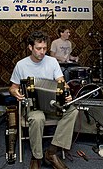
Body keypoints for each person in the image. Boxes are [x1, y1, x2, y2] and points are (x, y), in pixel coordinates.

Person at [9, 31, 78, 169]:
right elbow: (12, 87)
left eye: (45, 48)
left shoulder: (52, 62)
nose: (42, 52)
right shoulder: (21, 65)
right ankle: (37, 156)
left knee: (73, 111)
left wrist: (66, 92)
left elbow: (61, 82)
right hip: (33, 106)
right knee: (37, 118)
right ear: (30, 47)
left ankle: (52, 152)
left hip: (52, 104)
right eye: (38, 48)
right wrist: (15, 92)